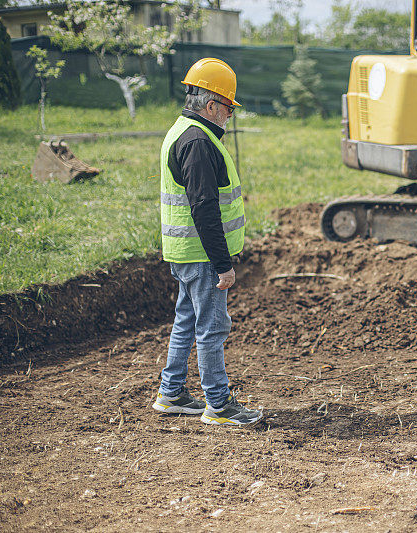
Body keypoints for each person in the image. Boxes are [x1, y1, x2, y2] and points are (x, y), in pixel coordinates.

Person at [152, 57, 262, 426]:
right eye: (229, 107)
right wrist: (223, 263)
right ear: (211, 104)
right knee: (213, 326)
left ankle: (171, 394)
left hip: (185, 252)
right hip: (202, 255)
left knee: (186, 319)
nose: (230, 115)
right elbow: (204, 207)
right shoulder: (198, 142)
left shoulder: (183, 130)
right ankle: (219, 404)